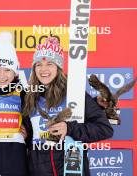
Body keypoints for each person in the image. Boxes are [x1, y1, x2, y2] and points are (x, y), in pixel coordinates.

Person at [22, 36, 114, 176]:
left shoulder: (74, 94)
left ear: (58, 67)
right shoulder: (29, 96)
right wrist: (24, 134)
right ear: (34, 68)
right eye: (39, 64)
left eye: (50, 64)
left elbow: (104, 129)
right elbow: (30, 137)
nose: (43, 69)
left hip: (71, 169)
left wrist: (70, 128)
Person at [0, 31, 28, 176]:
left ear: (15, 72)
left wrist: (28, 131)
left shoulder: (23, 93)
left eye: (7, 70)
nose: (1, 75)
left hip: (15, 156)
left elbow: (32, 120)